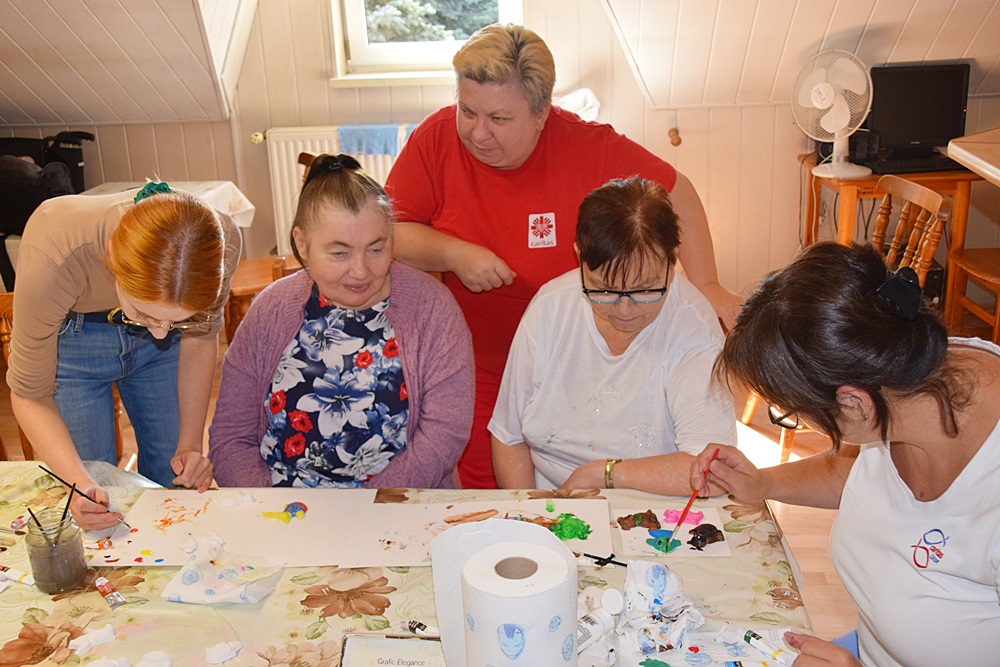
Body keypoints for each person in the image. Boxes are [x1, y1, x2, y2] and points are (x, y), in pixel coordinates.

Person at [386, 23, 740, 489]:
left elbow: (678, 192)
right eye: (467, 111)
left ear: (541, 114)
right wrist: (453, 253)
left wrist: (707, 284)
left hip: (572, 352)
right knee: (485, 486)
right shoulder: (434, 139)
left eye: (499, 118)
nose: (478, 132)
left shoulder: (589, 146)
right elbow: (387, 234)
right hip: (476, 355)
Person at [693, 242, 1000, 667]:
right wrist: (763, 482)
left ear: (854, 403)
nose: (793, 420)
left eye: (789, 414)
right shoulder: (906, 377)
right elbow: (857, 475)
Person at [209, 155, 474, 489]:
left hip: (398, 502)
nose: (360, 271)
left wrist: (372, 505)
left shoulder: (433, 310)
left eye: (375, 250)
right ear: (302, 244)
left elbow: (443, 435)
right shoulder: (270, 310)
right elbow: (231, 435)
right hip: (279, 504)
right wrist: (266, 506)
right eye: (339, 253)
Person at [10, 183, 241, 530]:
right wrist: (78, 483)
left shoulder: (218, 244)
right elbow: (30, 394)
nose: (160, 335)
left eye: (177, 320)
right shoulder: (54, 252)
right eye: (144, 314)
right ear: (111, 259)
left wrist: (191, 445)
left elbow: (198, 340)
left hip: (158, 344)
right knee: (93, 484)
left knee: (172, 472)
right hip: (73, 339)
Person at [489, 176, 735, 493]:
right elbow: (508, 436)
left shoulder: (694, 330)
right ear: (579, 256)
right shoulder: (551, 307)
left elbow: (713, 471)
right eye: (604, 290)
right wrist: (533, 510)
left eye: (645, 289)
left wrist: (602, 474)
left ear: (672, 260)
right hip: (550, 499)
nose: (625, 309)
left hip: (655, 505)